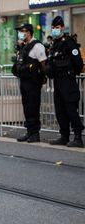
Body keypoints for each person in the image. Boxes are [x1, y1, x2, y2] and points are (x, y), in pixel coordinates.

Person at [47, 16, 84, 147]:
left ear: (62, 27)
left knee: (71, 111)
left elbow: (78, 63)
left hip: (68, 82)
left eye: (57, 28)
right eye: (53, 28)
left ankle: (78, 138)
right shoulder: (54, 44)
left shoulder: (69, 42)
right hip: (57, 82)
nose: (54, 30)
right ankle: (64, 136)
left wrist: (72, 73)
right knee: (60, 111)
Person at [12, 23, 47, 143]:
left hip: (33, 82)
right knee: (26, 106)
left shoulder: (37, 46)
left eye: (23, 31)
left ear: (29, 32)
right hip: (24, 80)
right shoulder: (23, 46)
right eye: (20, 31)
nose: (20, 33)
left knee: (33, 107)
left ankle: (35, 133)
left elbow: (43, 64)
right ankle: (29, 131)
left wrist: (43, 78)